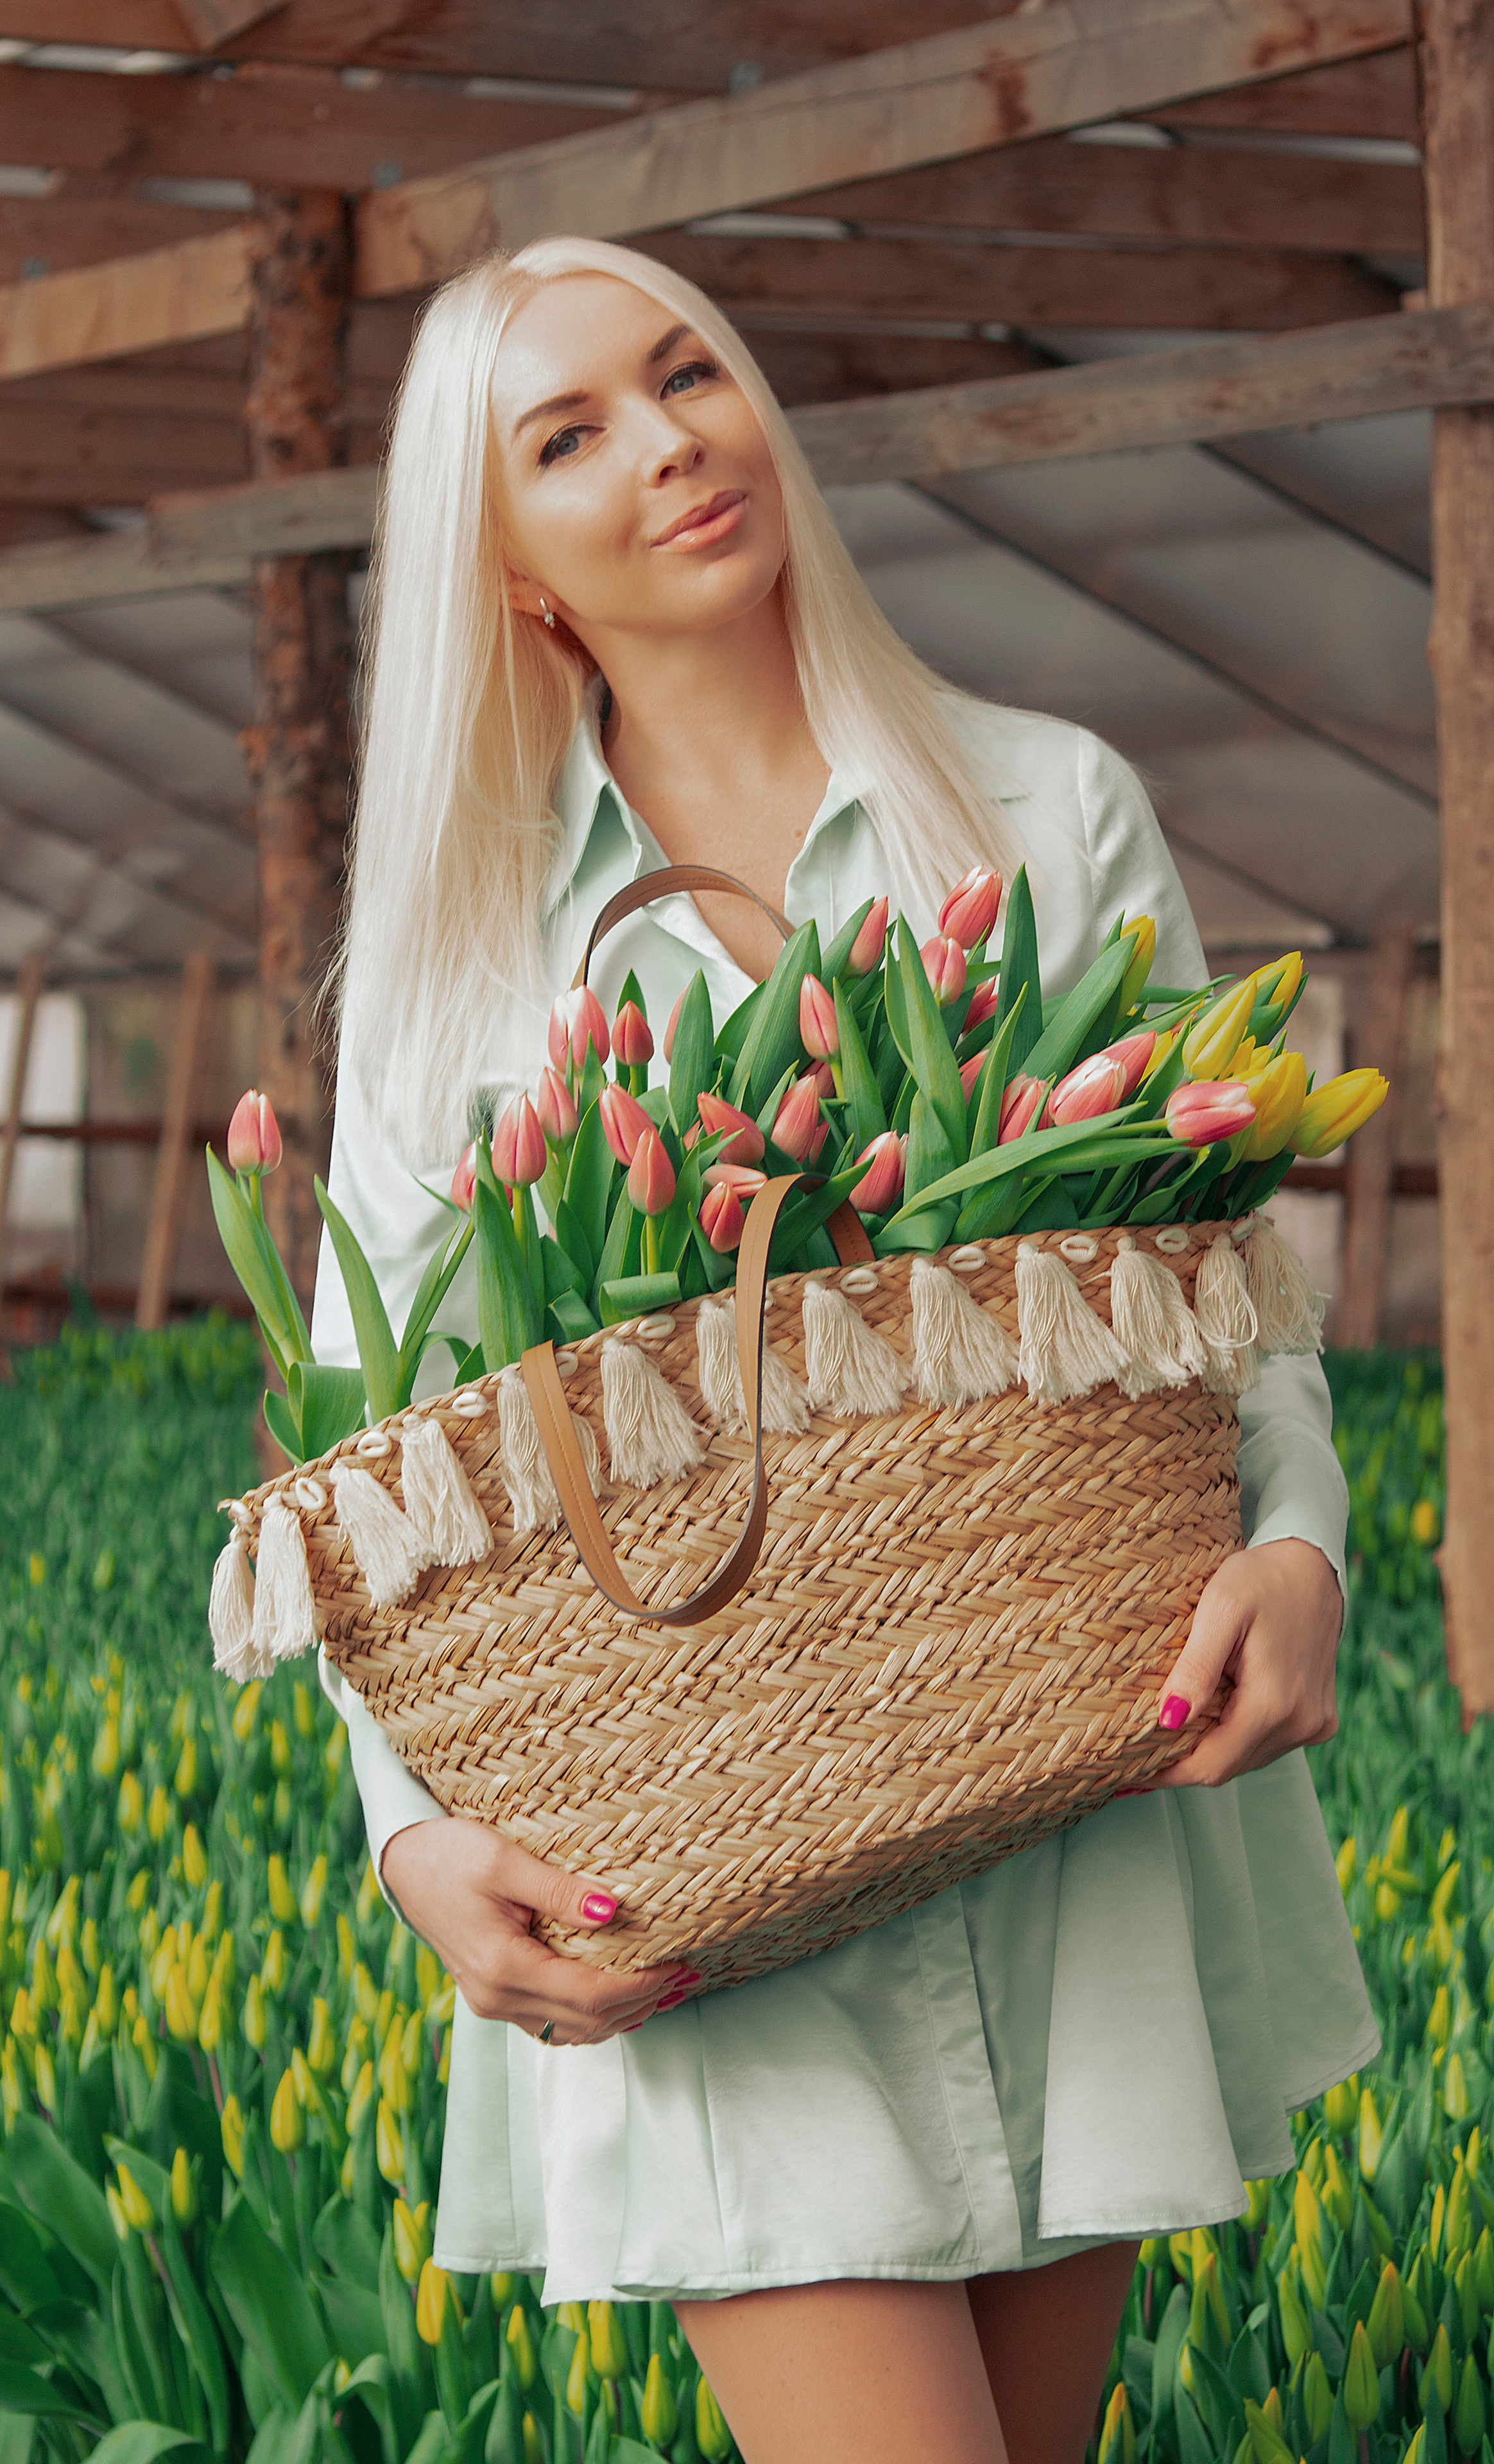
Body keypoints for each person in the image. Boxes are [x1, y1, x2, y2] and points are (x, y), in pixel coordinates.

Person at [311, 234, 1377, 2464]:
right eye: (572, 433)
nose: (672, 439)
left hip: (1076, 1792)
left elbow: (1226, 1292)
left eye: (691, 373)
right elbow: (371, 1471)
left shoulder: (1044, 811)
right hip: (699, 1890)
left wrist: (1301, 1549)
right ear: (508, 573)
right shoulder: (460, 971)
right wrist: (414, 1839)